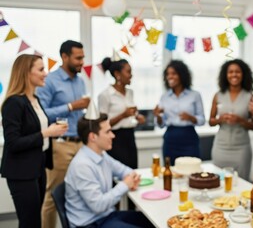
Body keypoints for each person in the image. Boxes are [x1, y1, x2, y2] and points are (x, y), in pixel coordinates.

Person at [1, 54, 68, 228]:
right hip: (21, 172)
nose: (46, 73)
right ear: (26, 73)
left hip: (38, 167)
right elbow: (13, 142)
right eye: (40, 69)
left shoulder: (35, 100)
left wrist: (52, 131)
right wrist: (46, 132)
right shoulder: (13, 103)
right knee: (30, 223)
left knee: (34, 220)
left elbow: (34, 131)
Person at [65, 113, 154, 228]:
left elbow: (124, 170)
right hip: (91, 223)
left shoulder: (101, 154)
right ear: (93, 137)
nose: (113, 136)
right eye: (107, 132)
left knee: (151, 221)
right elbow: (98, 206)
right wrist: (126, 184)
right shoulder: (82, 166)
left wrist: (132, 177)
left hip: (106, 216)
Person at [37, 40, 90, 228]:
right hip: (60, 145)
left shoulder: (81, 81)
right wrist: (71, 106)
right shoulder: (49, 81)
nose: (82, 62)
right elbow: (41, 113)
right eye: (78, 58)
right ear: (64, 57)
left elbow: (79, 114)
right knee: (53, 195)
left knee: (78, 191)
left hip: (81, 143)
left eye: (83, 58)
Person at [209, 59, 253, 180]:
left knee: (241, 183)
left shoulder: (250, 96)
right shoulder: (218, 95)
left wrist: (240, 120)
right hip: (220, 148)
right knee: (217, 182)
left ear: (243, 74)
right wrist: (221, 120)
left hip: (241, 150)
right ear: (225, 75)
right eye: (230, 72)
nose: (234, 74)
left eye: (237, 72)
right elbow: (211, 121)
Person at [153, 60, 205, 165]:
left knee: (191, 170)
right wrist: (158, 116)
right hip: (170, 139)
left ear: (182, 75)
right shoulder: (164, 97)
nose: (170, 77)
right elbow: (161, 124)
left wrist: (191, 118)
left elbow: (202, 120)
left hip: (189, 138)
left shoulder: (195, 95)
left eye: (173, 73)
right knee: (171, 172)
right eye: (168, 74)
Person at [98, 57, 146, 169]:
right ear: (117, 74)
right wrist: (123, 115)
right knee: (118, 174)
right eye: (128, 72)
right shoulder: (105, 95)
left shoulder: (130, 93)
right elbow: (101, 124)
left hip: (130, 136)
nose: (131, 75)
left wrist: (137, 117)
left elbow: (130, 116)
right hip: (114, 139)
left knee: (133, 169)